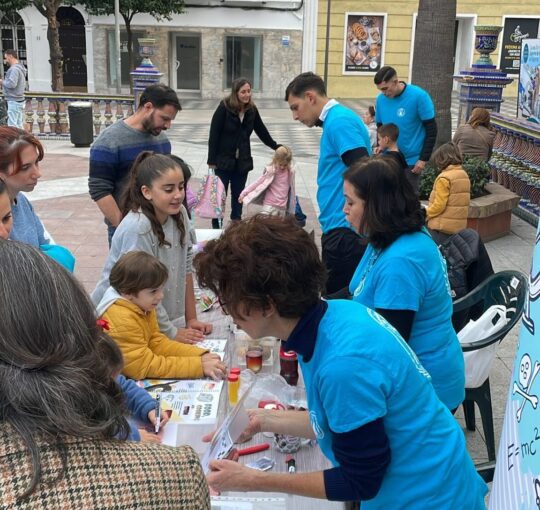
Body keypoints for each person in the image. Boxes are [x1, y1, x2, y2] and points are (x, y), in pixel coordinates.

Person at [194, 215, 487, 509]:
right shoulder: (335, 314)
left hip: (430, 497)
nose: (227, 311)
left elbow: (361, 480)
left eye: (229, 300)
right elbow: (339, 423)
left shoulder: (342, 365)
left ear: (268, 305)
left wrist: (251, 480)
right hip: (428, 476)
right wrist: (262, 421)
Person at [0, 239, 210, 508]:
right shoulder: (174, 474)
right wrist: (132, 436)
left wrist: (149, 403)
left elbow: (123, 379)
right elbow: (98, 410)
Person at [343, 157, 465, 411]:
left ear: (375, 206)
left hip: (425, 390)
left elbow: (392, 348)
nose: (344, 209)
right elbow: (355, 291)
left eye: (350, 202)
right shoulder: (384, 237)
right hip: (410, 377)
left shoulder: (401, 261)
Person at [92, 152, 213, 345]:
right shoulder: (138, 227)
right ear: (146, 192)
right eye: (168, 189)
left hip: (159, 320)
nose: (178, 195)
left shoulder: (180, 213)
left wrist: (191, 319)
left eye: (181, 187)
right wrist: (171, 332)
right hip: (120, 320)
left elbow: (185, 267)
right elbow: (141, 287)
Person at [285, 72, 371, 294]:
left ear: (310, 97)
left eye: (295, 107)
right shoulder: (336, 120)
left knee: (335, 303)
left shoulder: (339, 121)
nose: (295, 116)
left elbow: (365, 172)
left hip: (345, 232)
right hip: (342, 228)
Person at [96, 251, 226, 380]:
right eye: (153, 291)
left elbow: (157, 343)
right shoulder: (122, 319)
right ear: (127, 292)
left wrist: (199, 355)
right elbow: (144, 366)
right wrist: (198, 366)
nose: (160, 296)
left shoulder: (140, 304)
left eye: (160, 289)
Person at [89, 84, 181, 245]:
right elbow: (99, 190)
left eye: (171, 120)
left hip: (160, 225)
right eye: (165, 118)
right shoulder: (108, 141)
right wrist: (123, 226)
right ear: (148, 107)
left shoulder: (162, 141)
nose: (168, 126)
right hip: (125, 228)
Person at [207, 77, 280, 227]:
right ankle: (216, 228)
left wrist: (275, 146)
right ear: (236, 93)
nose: (247, 95)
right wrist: (211, 160)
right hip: (223, 161)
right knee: (220, 197)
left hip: (242, 162)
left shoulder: (251, 109)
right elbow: (214, 134)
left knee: (238, 196)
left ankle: (236, 225)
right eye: (243, 92)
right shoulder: (224, 107)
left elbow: (261, 130)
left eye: (248, 91)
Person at [95, 333, 171, 444]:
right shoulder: (78, 399)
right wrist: (134, 436)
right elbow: (97, 429)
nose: (114, 381)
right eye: (110, 379)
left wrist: (149, 408)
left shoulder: (107, 378)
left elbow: (127, 389)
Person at [374, 66, 437, 193]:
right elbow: (380, 127)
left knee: (408, 201)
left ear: (396, 82)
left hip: (411, 162)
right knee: (387, 200)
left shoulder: (419, 96)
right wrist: (379, 145)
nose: (384, 93)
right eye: (381, 90)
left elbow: (431, 130)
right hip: (389, 159)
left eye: (386, 89)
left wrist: (423, 159)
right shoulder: (380, 100)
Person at [0, 126, 48, 246]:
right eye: (25, 168)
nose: (37, 174)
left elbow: (44, 245)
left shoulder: (21, 200)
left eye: (36, 162)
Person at [426, 142, 471, 244]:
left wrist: (425, 214)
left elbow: (439, 205)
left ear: (442, 159)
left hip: (441, 227)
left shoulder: (444, 178)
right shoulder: (463, 174)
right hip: (457, 227)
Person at [239, 146, 296, 217]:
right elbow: (257, 183)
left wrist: (292, 208)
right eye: (280, 164)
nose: (282, 167)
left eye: (285, 165)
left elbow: (292, 191)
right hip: (269, 206)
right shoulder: (271, 171)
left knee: (278, 228)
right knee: (264, 226)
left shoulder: (290, 172)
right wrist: (244, 193)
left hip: (282, 208)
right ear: (275, 160)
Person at [0, 49, 26, 129]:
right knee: (19, 125)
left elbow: (12, 84)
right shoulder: (20, 67)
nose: (5, 60)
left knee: (12, 126)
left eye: (6, 58)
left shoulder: (14, 69)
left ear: (10, 56)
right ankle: (21, 140)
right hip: (19, 99)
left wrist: (1, 82)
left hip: (13, 100)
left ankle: (15, 141)